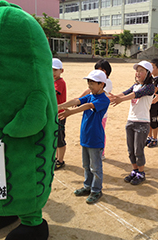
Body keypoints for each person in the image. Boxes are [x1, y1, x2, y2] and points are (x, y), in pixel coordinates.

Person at [58, 70, 110, 204]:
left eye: (92, 83)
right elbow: (77, 100)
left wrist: (71, 112)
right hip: (85, 137)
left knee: (95, 167)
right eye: (89, 82)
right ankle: (87, 186)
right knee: (86, 165)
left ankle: (96, 190)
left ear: (101, 84)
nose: (90, 86)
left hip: (95, 139)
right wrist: (60, 106)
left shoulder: (103, 99)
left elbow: (88, 106)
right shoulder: (91, 95)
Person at [110, 61, 155, 185]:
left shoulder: (150, 87)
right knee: (130, 150)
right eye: (137, 70)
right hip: (130, 121)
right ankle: (134, 171)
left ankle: (141, 173)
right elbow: (125, 92)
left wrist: (120, 100)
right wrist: (113, 97)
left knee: (138, 150)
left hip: (142, 122)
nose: (138, 73)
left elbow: (136, 95)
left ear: (148, 73)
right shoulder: (135, 85)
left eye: (141, 71)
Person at [79, 59, 112, 159]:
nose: (99, 72)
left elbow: (95, 97)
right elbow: (89, 91)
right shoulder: (95, 84)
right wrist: (79, 99)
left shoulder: (107, 82)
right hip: (91, 111)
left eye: (102, 70)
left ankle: (101, 153)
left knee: (99, 132)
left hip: (100, 112)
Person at [52, 58, 67, 170]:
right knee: (55, 137)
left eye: (55, 70)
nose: (53, 73)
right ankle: (57, 158)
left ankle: (60, 160)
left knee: (60, 138)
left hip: (60, 114)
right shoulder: (53, 82)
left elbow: (53, 93)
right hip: (54, 114)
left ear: (61, 71)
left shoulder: (60, 82)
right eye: (51, 70)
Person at [146, 58, 158, 147]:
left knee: (154, 121)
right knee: (148, 120)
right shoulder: (150, 77)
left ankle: (155, 138)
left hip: (154, 103)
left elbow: (155, 89)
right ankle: (149, 137)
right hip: (148, 103)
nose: (151, 69)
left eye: (153, 67)